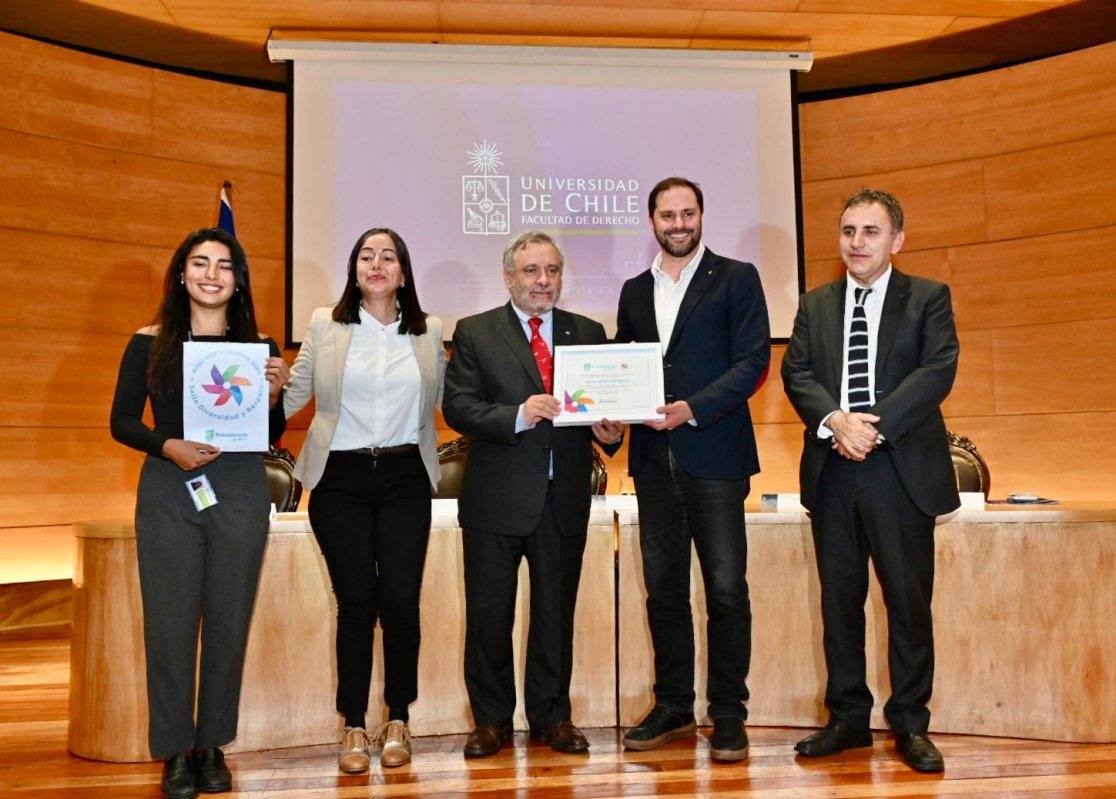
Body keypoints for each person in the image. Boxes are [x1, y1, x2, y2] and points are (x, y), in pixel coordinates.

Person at [781, 188, 959, 773]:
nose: (857, 243)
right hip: (833, 468)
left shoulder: (928, 297)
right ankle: (848, 720)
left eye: (871, 232)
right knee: (840, 603)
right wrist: (836, 421)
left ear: (897, 240)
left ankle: (910, 722)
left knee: (907, 603)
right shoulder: (815, 304)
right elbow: (797, 372)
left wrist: (870, 428)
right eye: (848, 231)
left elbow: (936, 371)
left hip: (898, 470)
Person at [109, 227, 289, 799]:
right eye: (200, 263)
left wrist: (277, 394)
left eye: (225, 265)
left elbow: (270, 433)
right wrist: (168, 446)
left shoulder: (260, 346)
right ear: (182, 273)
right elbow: (121, 421)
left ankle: (212, 745)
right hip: (169, 488)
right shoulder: (148, 341)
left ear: (239, 280)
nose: (212, 274)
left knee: (230, 623)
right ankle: (174, 749)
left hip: (239, 489)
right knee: (169, 625)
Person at [442, 230, 624, 758]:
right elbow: (458, 407)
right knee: (489, 617)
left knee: (554, 617)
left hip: (563, 498)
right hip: (495, 500)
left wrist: (611, 432)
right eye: (531, 271)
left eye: (552, 271)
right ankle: (491, 721)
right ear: (508, 277)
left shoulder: (587, 332)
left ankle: (552, 717)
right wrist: (518, 415)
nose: (543, 281)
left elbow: (602, 411)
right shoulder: (475, 331)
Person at [615, 177, 770, 763]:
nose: (678, 224)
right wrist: (608, 419)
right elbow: (621, 366)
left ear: (702, 216)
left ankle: (728, 713)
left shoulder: (737, 277)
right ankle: (674, 706)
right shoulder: (634, 290)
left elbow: (753, 362)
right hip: (653, 464)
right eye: (667, 215)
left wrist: (693, 408)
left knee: (726, 590)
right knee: (664, 591)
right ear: (651, 221)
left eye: (687, 213)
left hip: (716, 457)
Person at [284, 228, 445, 772]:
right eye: (366, 256)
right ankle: (352, 723)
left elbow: (450, 398)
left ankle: (398, 717)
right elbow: (293, 396)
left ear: (403, 272)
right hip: (340, 480)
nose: (376, 264)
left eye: (388, 256)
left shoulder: (429, 331)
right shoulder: (324, 324)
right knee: (355, 604)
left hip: (405, 478)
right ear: (354, 269)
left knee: (400, 601)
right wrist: (253, 395)